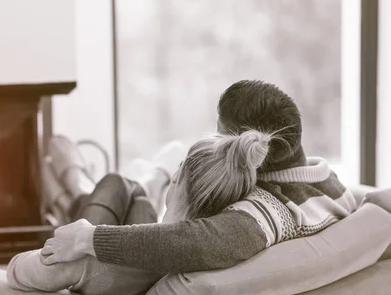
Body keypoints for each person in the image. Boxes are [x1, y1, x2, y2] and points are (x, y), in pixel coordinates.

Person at [38, 80, 358, 274]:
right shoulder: (330, 183)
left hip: (128, 278)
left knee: (116, 185)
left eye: (220, 137)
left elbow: (197, 242)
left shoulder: (268, 212)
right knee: (125, 187)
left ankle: (77, 194)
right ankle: (84, 193)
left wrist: (86, 238)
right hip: (154, 225)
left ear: (244, 146)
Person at [7, 129, 273, 295]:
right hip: (134, 269)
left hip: (101, 286)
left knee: (114, 182)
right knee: (138, 199)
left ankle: (76, 195)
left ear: (178, 174)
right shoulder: (204, 255)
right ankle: (132, 186)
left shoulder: (88, 265)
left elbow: (15, 271)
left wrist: (75, 239)